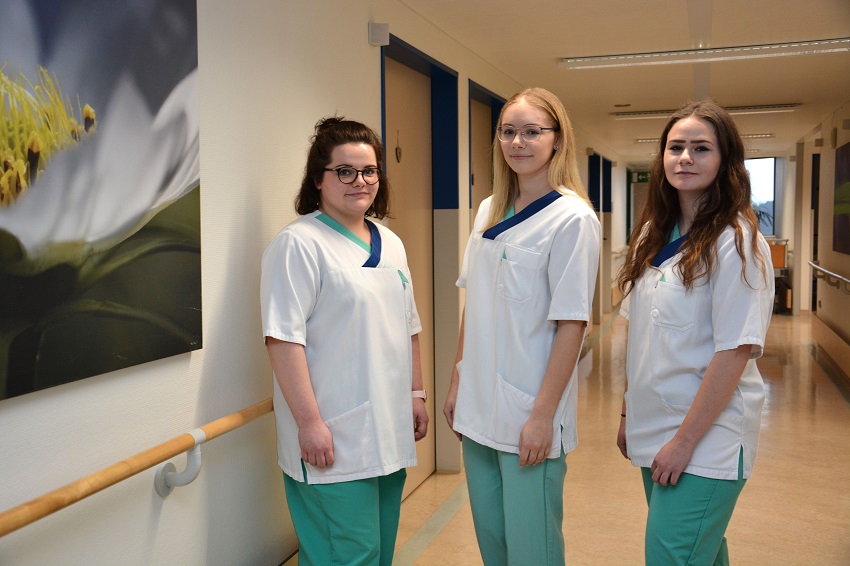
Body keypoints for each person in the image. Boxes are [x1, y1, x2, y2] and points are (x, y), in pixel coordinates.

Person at [261, 117, 428, 566]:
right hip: (333, 433)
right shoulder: (298, 244)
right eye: (345, 171)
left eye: (370, 170)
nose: (361, 181)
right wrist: (309, 424)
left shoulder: (390, 242)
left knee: (377, 551)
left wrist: (416, 394)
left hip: (387, 429)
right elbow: (283, 340)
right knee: (347, 555)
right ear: (319, 179)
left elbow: (408, 325)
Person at [443, 87, 601, 565]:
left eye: (533, 132)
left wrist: (541, 417)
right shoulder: (489, 208)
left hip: (530, 409)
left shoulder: (573, 218)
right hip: (478, 406)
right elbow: (475, 299)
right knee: (494, 542)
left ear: (558, 140)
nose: (518, 142)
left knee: (533, 550)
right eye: (508, 132)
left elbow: (572, 324)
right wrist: (458, 376)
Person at [615, 99, 774, 565]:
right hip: (654, 428)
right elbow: (640, 336)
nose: (685, 157)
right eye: (676, 146)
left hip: (707, 437)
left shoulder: (738, 241)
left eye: (701, 148)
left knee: (672, 555)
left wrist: (684, 441)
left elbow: (735, 350)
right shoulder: (651, 235)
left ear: (726, 161)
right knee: (699, 553)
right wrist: (628, 413)